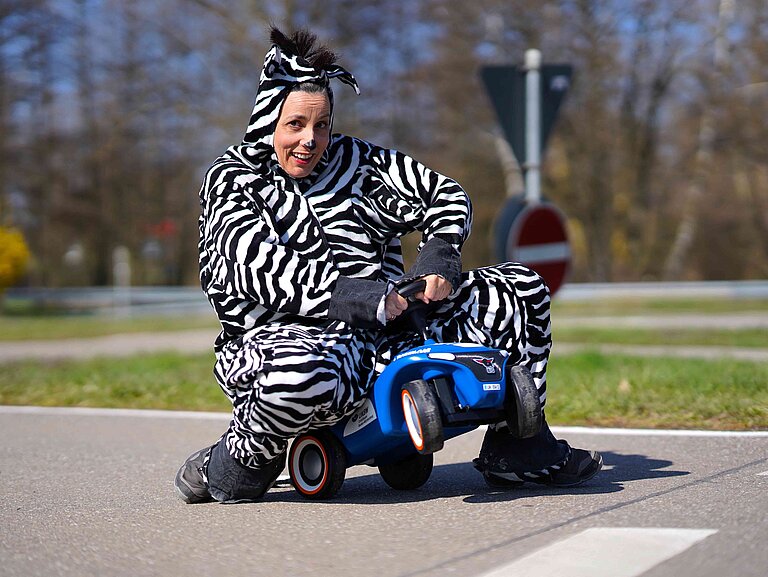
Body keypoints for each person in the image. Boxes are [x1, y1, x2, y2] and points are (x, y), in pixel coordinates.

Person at [174, 27, 601, 504]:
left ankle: (518, 447)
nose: (309, 140)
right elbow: (251, 266)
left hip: (388, 332)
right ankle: (245, 456)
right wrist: (360, 296)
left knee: (520, 288)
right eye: (295, 124)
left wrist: (438, 256)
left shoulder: (358, 164)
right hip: (286, 343)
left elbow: (445, 195)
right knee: (297, 376)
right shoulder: (234, 179)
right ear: (268, 119)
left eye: (321, 125)